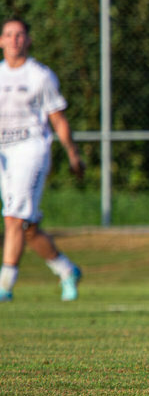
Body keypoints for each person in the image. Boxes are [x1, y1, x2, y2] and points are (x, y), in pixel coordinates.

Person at [0, 18, 84, 302]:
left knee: (13, 218)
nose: (14, 40)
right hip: (4, 154)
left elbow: (57, 119)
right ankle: (67, 270)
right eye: (9, 35)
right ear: (1, 41)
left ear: (28, 40)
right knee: (28, 227)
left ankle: (5, 286)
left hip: (31, 148)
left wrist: (72, 153)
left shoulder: (40, 76)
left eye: (20, 35)